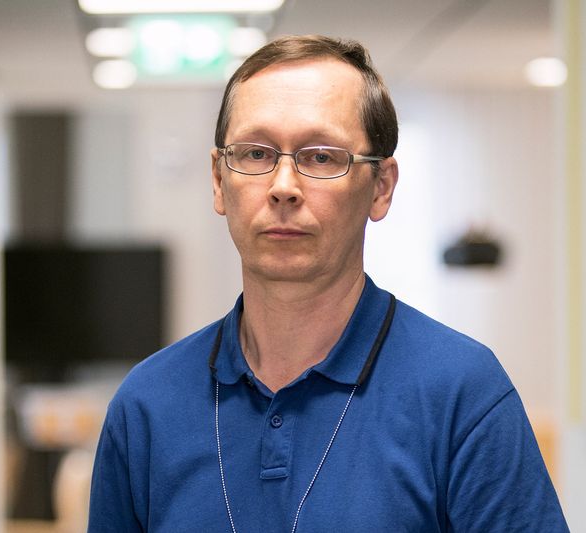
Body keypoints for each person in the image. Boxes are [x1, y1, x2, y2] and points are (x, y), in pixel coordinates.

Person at [87, 35, 568, 532]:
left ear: (381, 187)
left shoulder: (462, 393)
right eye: (255, 153)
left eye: (321, 156)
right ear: (218, 181)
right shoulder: (146, 405)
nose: (283, 187)